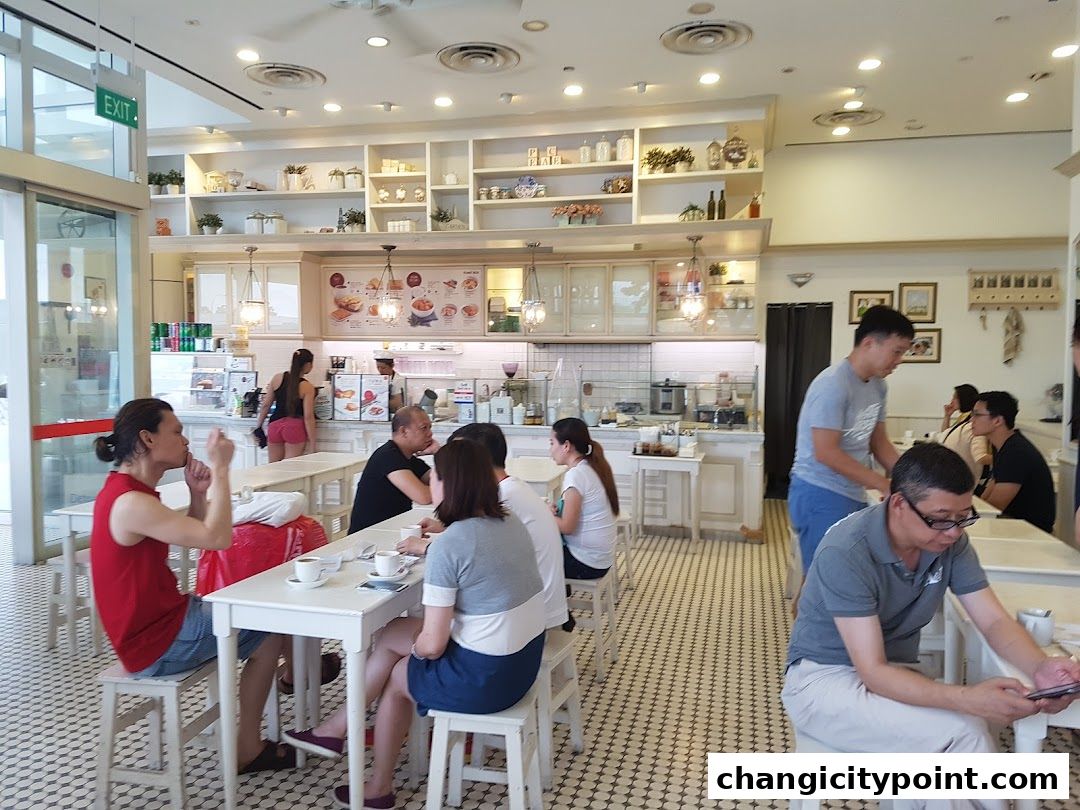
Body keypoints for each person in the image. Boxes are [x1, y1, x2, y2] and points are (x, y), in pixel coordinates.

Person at [783, 443, 1080, 802]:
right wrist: (966, 698)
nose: (954, 531)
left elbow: (992, 620)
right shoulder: (847, 551)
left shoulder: (948, 541)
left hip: (895, 670)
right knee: (965, 737)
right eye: (941, 518)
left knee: (961, 743)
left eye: (964, 516)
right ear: (898, 504)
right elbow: (872, 671)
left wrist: (1042, 666)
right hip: (823, 681)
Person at [284, 439, 546, 809]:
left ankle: (376, 787)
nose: (430, 483)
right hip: (524, 661)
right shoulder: (508, 520)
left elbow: (433, 645)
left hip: (489, 679)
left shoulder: (450, 545)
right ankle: (335, 729)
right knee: (391, 635)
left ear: (448, 483)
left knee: (398, 676)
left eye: (434, 475)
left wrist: (418, 653)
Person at [90, 398, 295, 774]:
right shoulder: (131, 502)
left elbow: (195, 536)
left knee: (261, 615)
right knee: (269, 625)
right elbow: (217, 539)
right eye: (177, 432)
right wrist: (221, 467)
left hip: (164, 624)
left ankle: (253, 735)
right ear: (147, 439)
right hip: (156, 642)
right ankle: (248, 747)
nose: (185, 441)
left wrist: (198, 494)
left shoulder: (127, 493)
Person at [401, 422, 569, 631]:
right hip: (536, 604)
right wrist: (444, 528)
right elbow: (489, 540)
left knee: (429, 618)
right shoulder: (512, 487)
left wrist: (426, 548)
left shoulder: (502, 497)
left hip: (528, 617)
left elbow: (479, 552)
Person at [788, 305, 915, 571]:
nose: (900, 360)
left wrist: (913, 478)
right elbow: (826, 452)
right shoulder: (833, 384)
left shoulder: (879, 386)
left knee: (839, 577)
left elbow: (878, 442)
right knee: (825, 581)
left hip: (852, 490)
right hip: (819, 491)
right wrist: (883, 484)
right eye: (897, 351)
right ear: (869, 343)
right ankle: (806, 614)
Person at [549, 417, 619, 629]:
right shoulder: (591, 467)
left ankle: (558, 617)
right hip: (602, 557)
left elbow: (568, 527)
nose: (550, 449)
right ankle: (561, 603)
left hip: (587, 562)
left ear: (566, 446)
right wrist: (555, 512)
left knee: (535, 563)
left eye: (552, 443)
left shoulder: (576, 476)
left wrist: (545, 515)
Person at [971, 390, 1055, 532]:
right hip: (1011, 522)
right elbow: (989, 495)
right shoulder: (1003, 445)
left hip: (1029, 531)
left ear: (998, 420)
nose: (971, 420)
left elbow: (996, 506)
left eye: (977, 415)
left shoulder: (1016, 452)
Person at [347, 405, 438, 533]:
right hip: (368, 536)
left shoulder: (409, 458)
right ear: (403, 431)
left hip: (390, 529)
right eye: (424, 428)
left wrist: (440, 454)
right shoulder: (388, 456)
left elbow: (442, 480)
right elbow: (424, 497)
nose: (430, 433)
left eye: (430, 427)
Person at [254, 348, 316, 462]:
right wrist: (312, 443)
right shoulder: (307, 387)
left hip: (274, 426)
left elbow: (266, 405)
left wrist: (258, 426)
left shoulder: (277, 378)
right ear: (307, 365)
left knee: (273, 467)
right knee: (290, 470)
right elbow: (308, 417)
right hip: (294, 427)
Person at [928, 383, 991, 481]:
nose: (951, 401)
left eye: (954, 398)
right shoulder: (963, 417)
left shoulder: (972, 422)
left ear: (963, 398)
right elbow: (946, 435)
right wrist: (947, 415)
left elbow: (980, 456)